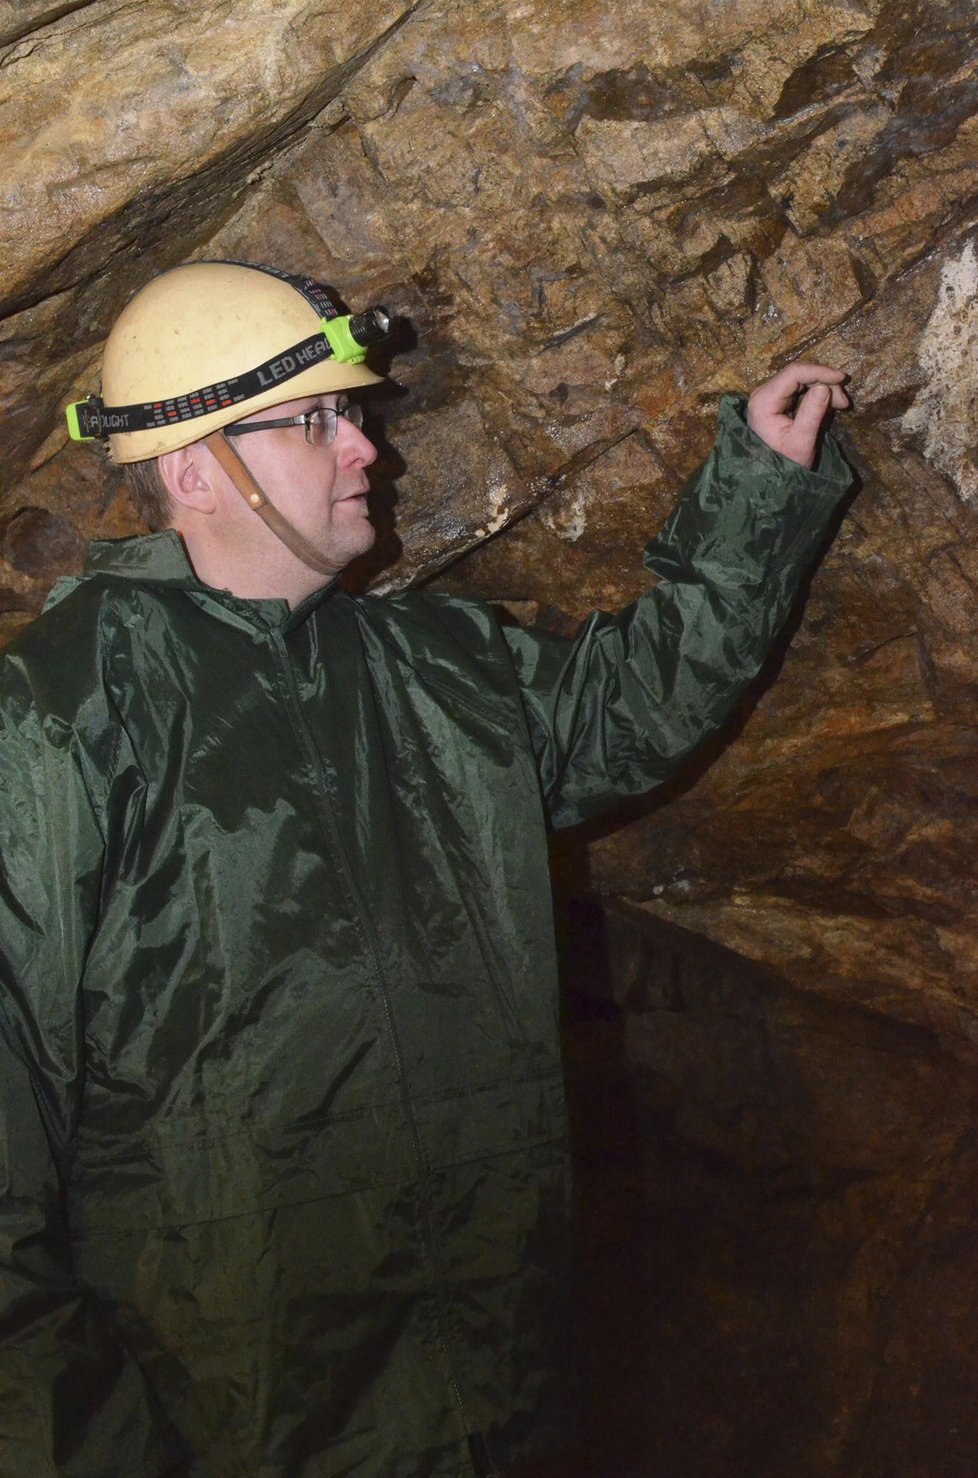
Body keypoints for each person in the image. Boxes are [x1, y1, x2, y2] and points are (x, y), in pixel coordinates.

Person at [0, 259, 852, 1478]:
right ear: (194, 469)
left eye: (353, 416)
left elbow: (633, 705)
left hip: (502, 1395)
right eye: (318, 421)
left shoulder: (434, 666)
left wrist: (759, 486)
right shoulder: (59, 722)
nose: (366, 451)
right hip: (242, 1425)